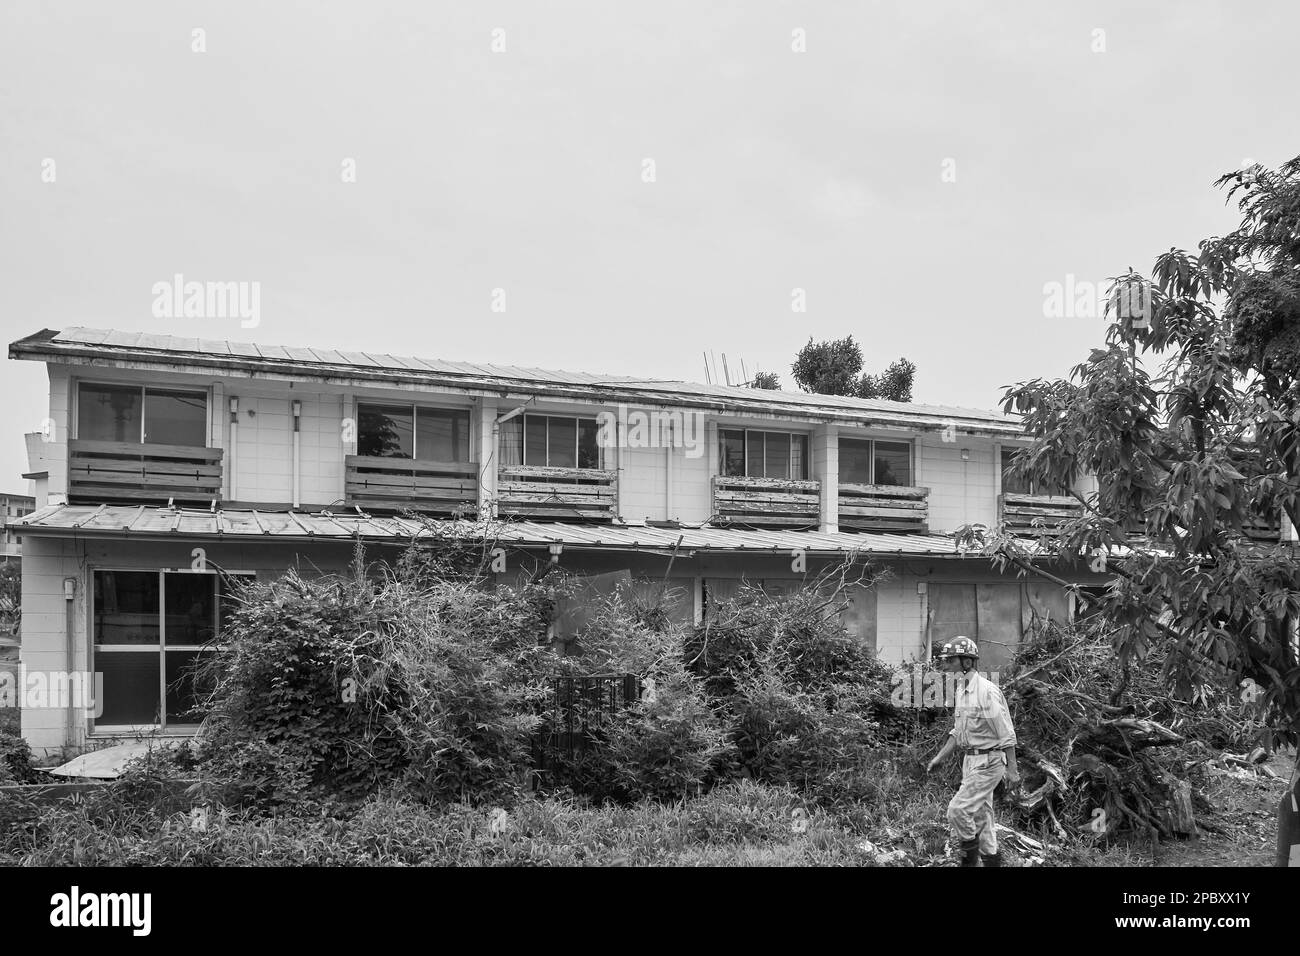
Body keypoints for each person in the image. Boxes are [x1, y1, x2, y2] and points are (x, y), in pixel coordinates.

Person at [925, 637, 1020, 867]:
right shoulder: (962, 690)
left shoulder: (986, 691)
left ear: (966, 662)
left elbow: (1006, 734)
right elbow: (958, 733)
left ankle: (969, 862)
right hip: (971, 761)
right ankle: (991, 862)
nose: (945, 665)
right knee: (982, 818)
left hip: (989, 762)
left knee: (957, 811)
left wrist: (1013, 771)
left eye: (950, 660)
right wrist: (939, 758)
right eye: (945, 660)